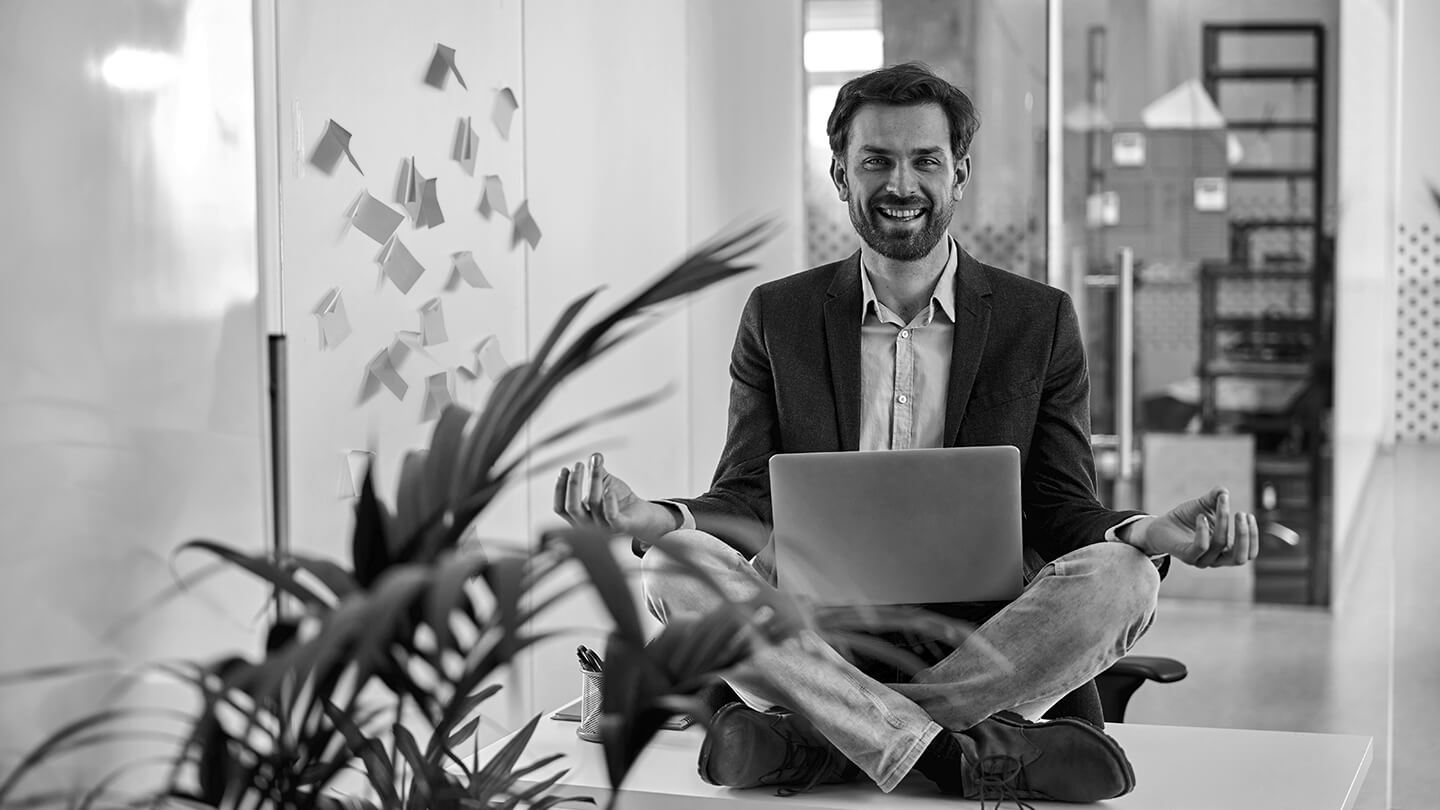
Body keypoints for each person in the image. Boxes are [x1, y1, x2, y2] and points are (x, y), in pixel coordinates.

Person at [553, 62, 1257, 804]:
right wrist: (654, 518)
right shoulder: (778, 316)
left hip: (986, 636)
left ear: (959, 174)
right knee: (673, 565)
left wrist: (1146, 533)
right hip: (818, 634)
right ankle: (950, 756)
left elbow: (1059, 506)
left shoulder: (1038, 320)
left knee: (1126, 577)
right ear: (840, 175)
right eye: (876, 161)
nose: (901, 184)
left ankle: (826, 740)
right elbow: (747, 494)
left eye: (925, 160)